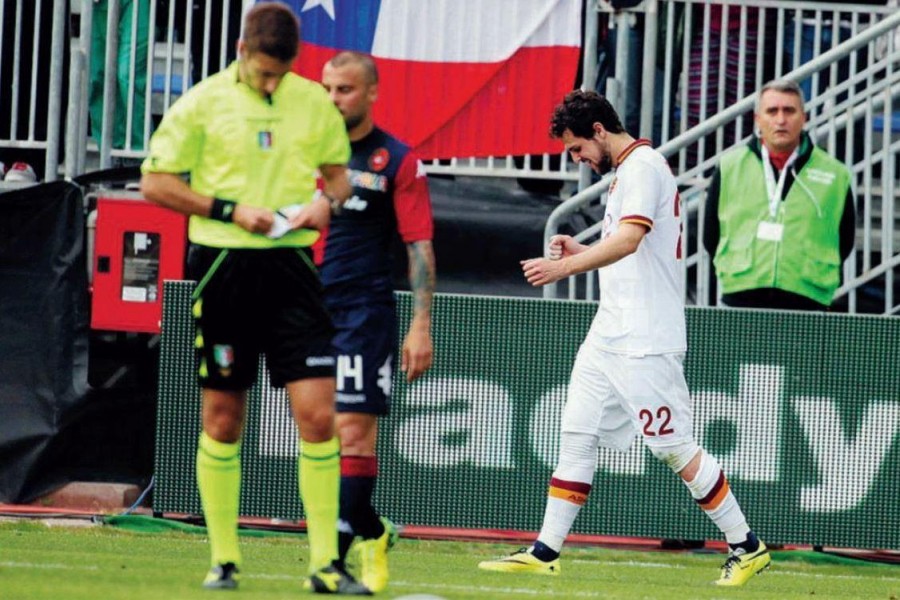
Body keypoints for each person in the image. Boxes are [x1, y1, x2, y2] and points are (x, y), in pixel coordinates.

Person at [478, 90, 770, 587]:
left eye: (576, 149)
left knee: (673, 447)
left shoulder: (642, 166)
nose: (577, 161)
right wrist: (581, 246)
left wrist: (564, 264)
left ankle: (747, 546)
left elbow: (632, 239)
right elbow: (626, 244)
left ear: (598, 131)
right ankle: (545, 550)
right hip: (609, 331)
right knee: (577, 431)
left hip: (646, 336)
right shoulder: (627, 172)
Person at [139, 4, 370, 595]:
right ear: (242, 51)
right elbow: (155, 182)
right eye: (264, 72)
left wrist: (327, 203)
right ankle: (223, 560)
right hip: (223, 267)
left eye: (281, 73)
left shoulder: (312, 103)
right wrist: (230, 210)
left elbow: (340, 175)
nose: (272, 83)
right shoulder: (203, 101)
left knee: (320, 418)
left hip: (292, 268)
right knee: (222, 417)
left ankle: (325, 565)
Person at [319, 51, 436, 594]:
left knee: (353, 434)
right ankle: (373, 530)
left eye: (343, 90)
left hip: (365, 311)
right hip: (307, 308)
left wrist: (421, 324)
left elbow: (419, 247)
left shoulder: (399, 160)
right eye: (326, 89)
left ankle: (331, 568)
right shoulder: (309, 152)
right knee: (317, 435)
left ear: (370, 93)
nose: (333, 99)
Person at [702, 79, 855, 310]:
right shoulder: (729, 167)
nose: (781, 120)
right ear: (758, 119)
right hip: (741, 293)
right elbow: (710, 235)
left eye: (789, 111)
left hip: (808, 296)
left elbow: (845, 239)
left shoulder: (835, 174)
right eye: (772, 111)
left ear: (804, 118)